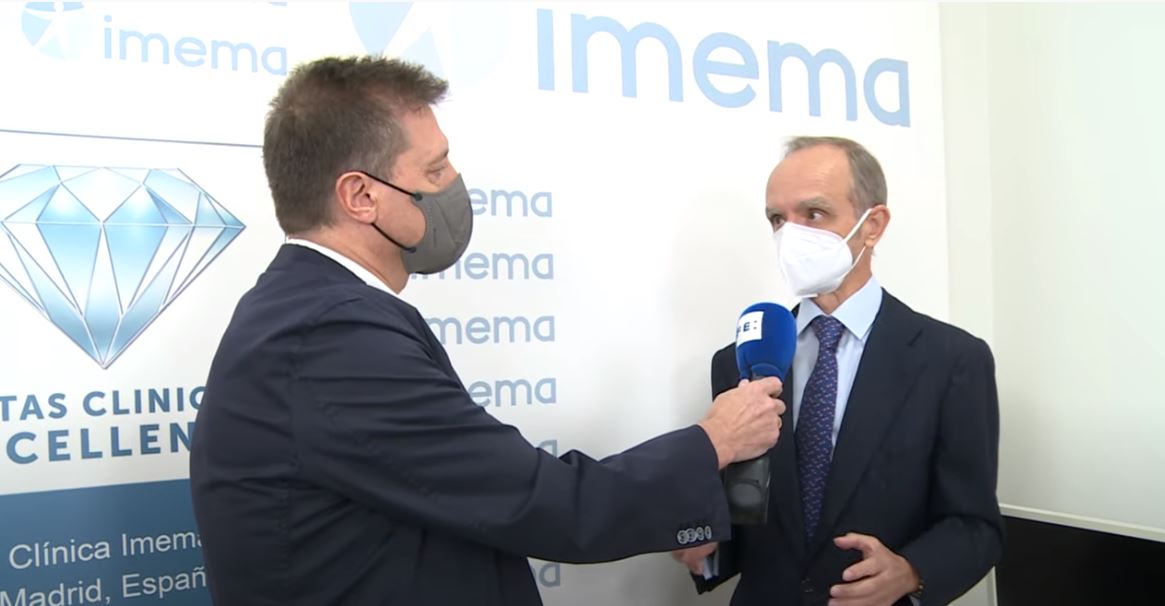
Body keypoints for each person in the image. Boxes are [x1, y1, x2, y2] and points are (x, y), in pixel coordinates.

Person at [188, 55, 786, 606]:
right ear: (360, 195)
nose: (453, 182)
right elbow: (539, 502)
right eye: (434, 168)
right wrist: (713, 442)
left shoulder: (308, 312)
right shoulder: (332, 334)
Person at [673, 136, 1002, 606]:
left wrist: (912, 572)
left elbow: (975, 526)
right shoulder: (740, 359)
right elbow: (747, 508)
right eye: (777, 219)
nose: (790, 236)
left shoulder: (952, 360)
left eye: (814, 214)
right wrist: (706, 546)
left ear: (873, 225)